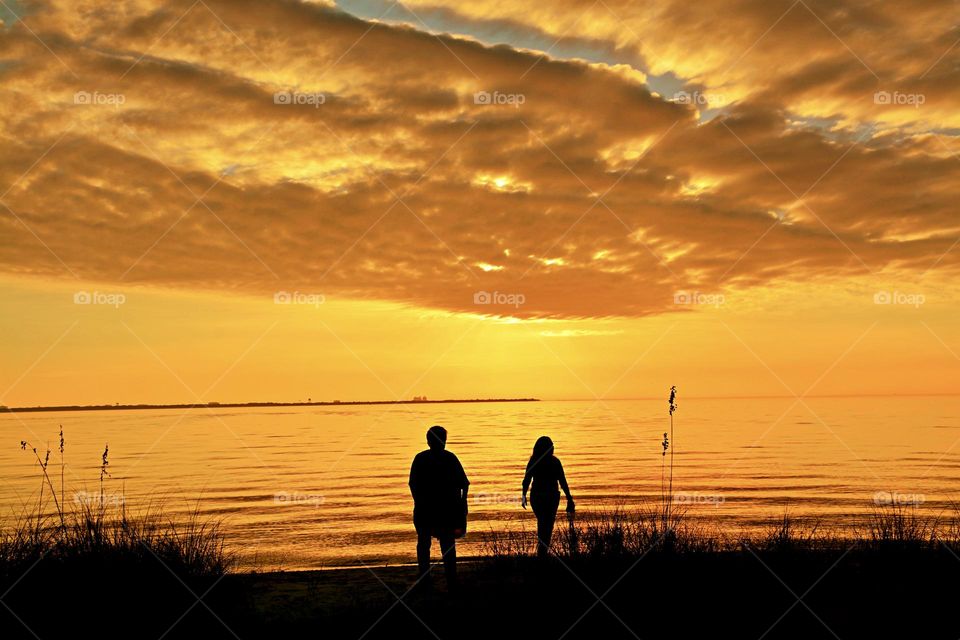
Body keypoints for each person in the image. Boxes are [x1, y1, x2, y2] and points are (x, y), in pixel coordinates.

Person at [409, 425, 469, 587]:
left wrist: (419, 502)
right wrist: (462, 503)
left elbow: (413, 484)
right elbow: (465, 483)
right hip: (444, 509)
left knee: (425, 543)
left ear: (428, 441)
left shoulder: (421, 459)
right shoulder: (449, 458)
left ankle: (426, 579)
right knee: (445, 544)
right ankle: (450, 579)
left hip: (428, 509)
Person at [522, 436, 574, 559]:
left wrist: (524, 495)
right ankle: (543, 552)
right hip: (550, 497)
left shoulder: (534, 461)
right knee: (547, 524)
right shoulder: (555, 462)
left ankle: (542, 551)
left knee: (543, 522)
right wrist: (569, 498)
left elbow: (526, 480)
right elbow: (563, 482)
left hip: (538, 497)